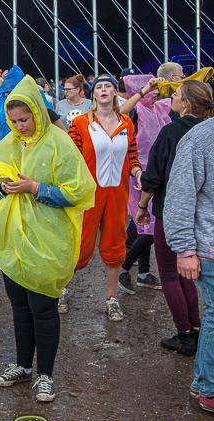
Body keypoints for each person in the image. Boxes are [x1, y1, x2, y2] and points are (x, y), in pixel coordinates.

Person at [0, 75, 95, 402]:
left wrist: (35, 188)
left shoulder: (58, 142)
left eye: (24, 120)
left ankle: (46, 375)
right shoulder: (10, 143)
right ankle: (23, 366)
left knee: (43, 308)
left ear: (38, 114)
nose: (19, 126)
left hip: (48, 239)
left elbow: (79, 192)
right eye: (12, 121)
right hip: (14, 241)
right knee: (19, 308)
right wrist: (2, 187)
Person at [136, 80, 214, 356]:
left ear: (187, 104)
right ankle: (196, 328)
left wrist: (143, 205)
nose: (172, 101)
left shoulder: (171, 131)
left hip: (171, 212)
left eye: (177, 96)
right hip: (203, 217)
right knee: (187, 278)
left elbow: (154, 176)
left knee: (170, 274)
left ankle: (184, 334)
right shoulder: (210, 132)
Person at [67, 74, 142, 321]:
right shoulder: (80, 123)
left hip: (117, 194)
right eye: (98, 87)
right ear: (93, 94)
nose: (103, 90)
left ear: (115, 92)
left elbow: (132, 156)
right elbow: (71, 159)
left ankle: (111, 299)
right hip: (88, 195)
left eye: (107, 86)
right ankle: (61, 290)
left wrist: (138, 171)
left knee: (114, 245)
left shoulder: (127, 123)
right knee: (79, 244)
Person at [163, 102, 214, 414]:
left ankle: (203, 382)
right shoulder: (199, 139)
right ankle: (211, 390)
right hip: (209, 248)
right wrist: (185, 250)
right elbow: (180, 197)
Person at [116, 74, 170, 294]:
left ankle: (144, 273)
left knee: (144, 225)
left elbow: (177, 98)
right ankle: (123, 269)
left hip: (156, 172)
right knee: (149, 228)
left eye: (155, 88)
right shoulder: (136, 113)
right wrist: (143, 92)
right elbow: (121, 113)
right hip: (140, 174)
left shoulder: (157, 109)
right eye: (150, 88)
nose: (155, 91)